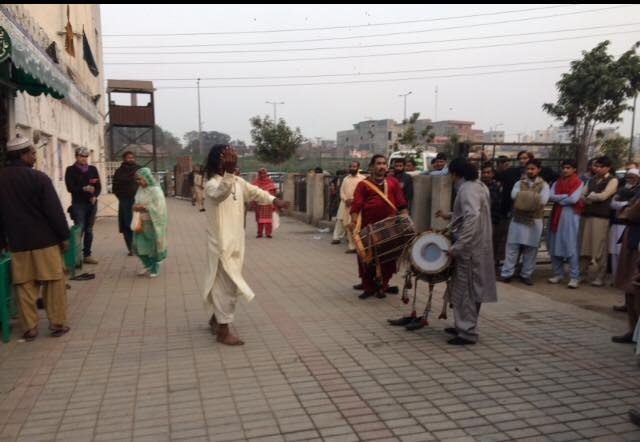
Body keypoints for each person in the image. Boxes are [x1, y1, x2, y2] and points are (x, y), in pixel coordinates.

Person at [202, 144, 288, 345]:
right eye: (227, 157)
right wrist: (229, 173)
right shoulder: (211, 184)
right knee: (228, 286)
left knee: (222, 284)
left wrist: (275, 200)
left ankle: (216, 319)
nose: (232, 160)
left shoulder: (238, 182)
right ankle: (223, 330)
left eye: (232, 157)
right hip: (221, 244)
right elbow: (220, 194)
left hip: (237, 243)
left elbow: (257, 192)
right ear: (218, 161)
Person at [0, 134, 71, 341]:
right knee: (54, 283)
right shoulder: (38, 178)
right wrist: (64, 236)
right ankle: (57, 323)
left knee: (24, 286)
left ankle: (29, 328)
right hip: (45, 241)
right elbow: (54, 211)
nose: (34, 157)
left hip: (18, 244)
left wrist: (3, 243)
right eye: (32, 153)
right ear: (22, 155)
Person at [435, 158, 497, 345]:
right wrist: (450, 216)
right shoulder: (479, 186)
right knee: (469, 289)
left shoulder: (467, 189)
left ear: (455, 174)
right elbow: (470, 215)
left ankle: (467, 332)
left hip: (470, 250)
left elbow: (472, 219)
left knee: (466, 290)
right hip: (478, 246)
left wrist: (459, 246)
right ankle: (463, 324)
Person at [349, 154, 408, 299]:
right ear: (371, 167)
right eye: (378, 163)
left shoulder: (393, 183)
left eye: (384, 164)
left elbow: (401, 204)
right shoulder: (363, 185)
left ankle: (383, 284)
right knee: (367, 257)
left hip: (389, 227)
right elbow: (356, 206)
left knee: (388, 257)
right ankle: (368, 287)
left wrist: (405, 219)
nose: (382, 166)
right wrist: (353, 222)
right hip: (368, 227)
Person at [500, 159, 550, 285]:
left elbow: (543, 201)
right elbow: (513, 196)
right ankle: (507, 274)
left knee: (531, 249)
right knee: (512, 247)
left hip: (535, 220)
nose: (530, 171)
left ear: (538, 170)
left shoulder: (544, 185)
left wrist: (523, 198)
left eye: (533, 169)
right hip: (518, 219)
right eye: (528, 169)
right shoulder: (519, 182)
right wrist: (533, 197)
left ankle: (526, 274)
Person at [580, 156, 618, 287]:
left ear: (607, 167)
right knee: (584, 247)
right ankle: (582, 274)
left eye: (600, 166)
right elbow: (582, 196)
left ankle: (600, 277)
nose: (596, 168)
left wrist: (591, 196)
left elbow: (604, 196)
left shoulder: (612, 180)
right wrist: (592, 197)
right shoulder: (591, 179)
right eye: (595, 166)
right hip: (587, 216)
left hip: (601, 218)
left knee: (599, 248)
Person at [546, 159, 584, 289]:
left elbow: (574, 199)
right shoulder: (557, 182)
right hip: (556, 214)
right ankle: (558, 273)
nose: (565, 170)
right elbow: (550, 196)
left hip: (570, 216)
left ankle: (575, 276)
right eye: (564, 168)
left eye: (568, 168)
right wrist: (564, 197)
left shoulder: (578, 182)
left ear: (574, 169)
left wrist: (559, 198)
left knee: (570, 245)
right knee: (554, 243)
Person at [65, 147, 101, 264]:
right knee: (79, 229)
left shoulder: (92, 169)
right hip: (78, 204)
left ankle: (87, 255)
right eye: (81, 156)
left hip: (92, 203)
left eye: (86, 157)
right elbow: (70, 188)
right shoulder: (70, 170)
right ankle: (75, 256)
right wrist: (83, 188)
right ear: (76, 156)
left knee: (89, 230)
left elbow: (98, 186)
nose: (84, 159)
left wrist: (95, 195)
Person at [132, 167, 168, 278]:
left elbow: (160, 208)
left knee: (153, 247)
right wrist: (135, 207)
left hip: (153, 223)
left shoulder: (156, 190)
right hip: (141, 222)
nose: (139, 182)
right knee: (137, 246)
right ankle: (147, 264)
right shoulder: (140, 189)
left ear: (147, 178)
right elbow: (136, 202)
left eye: (141, 179)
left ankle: (155, 267)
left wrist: (145, 207)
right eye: (137, 180)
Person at [331, 161, 364, 252]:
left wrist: (354, 200)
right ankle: (350, 246)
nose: (353, 168)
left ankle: (356, 246)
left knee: (355, 226)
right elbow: (342, 191)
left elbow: (362, 193)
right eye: (351, 166)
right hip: (345, 204)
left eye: (354, 166)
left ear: (358, 167)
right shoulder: (346, 179)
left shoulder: (362, 179)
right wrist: (346, 200)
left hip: (356, 206)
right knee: (345, 224)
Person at [112, 150, 140, 256]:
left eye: (132, 157)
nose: (131, 159)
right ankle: (131, 248)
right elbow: (115, 187)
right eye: (128, 157)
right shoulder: (119, 172)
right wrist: (122, 197)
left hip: (139, 201)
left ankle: (141, 246)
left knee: (139, 223)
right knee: (127, 225)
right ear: (124, 158)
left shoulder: (139, 169)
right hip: (125, 201)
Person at [480, 163, 504, 269]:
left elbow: (492, 203)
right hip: (480, 219)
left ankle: (491, 265)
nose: (485, 175)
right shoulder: (478, 185)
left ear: (493, 174)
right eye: (484, 172)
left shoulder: (496, 186)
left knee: (491, 243)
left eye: (488, 172)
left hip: (493, 219)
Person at [251, 168, 278, 238]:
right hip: (259, 204)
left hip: (268, 204)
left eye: (264, 173)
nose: (263, 175)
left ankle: (268, 233)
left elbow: (273, 192)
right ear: (259, 174)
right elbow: (253, 192)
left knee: (268, 221)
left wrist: (273, 201)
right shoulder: (256, 182)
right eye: (261, 173)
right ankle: (259, 233)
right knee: (259, 220)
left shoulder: (269, 181)